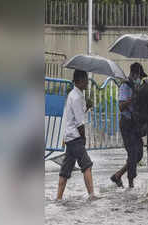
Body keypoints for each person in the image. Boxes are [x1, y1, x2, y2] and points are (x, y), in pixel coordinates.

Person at [57, 70, 98, 201]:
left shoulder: (75, 95)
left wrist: (88, 106)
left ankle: (58, 198)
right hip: (75, 137)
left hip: (70, 137)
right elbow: (80, 123)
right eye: (85, 79)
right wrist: (83, 137)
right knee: (87, 165)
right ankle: (91, 194)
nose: (87, 82)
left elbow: (77, 114)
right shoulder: (76, 97)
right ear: (79, 81)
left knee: (65, 170)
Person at [110, 62, 147, 188]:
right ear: (134, 74)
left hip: (135, 124)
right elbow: (121, 107)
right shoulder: (125, 86)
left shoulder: (137, 87)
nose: (140, 80)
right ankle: (131, 184)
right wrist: (132, 98)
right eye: (139, 77)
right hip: (126, 124)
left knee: (139, 154)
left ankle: (118, 175)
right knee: (132, 153)